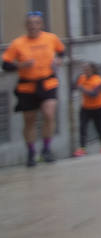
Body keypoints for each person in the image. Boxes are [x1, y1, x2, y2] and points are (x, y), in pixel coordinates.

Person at [3, 12, 65, 166]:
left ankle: (46, 149)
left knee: (49, 114)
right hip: (27, 86)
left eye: (36, 23)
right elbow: (5, 64)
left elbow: (61, 51)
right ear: (26, 26)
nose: (33, 26)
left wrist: (58, 59)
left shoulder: (51, 38)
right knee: (29, 120)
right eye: (30, 23)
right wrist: (21, 65)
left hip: (47, 82)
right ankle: (31, 152)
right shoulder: (18, 43)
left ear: (41, 25)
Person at [74, 62, 101, 156]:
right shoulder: (81, 78)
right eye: (84, 69)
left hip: (99, 107)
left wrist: (82, 89)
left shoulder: (97, 80)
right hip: (85, 107)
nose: (85, 71)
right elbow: (74, 86)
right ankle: (82, 148)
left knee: (99, 127)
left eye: (87, 69)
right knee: (82, 127)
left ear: (92, 70)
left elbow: (94, 94)